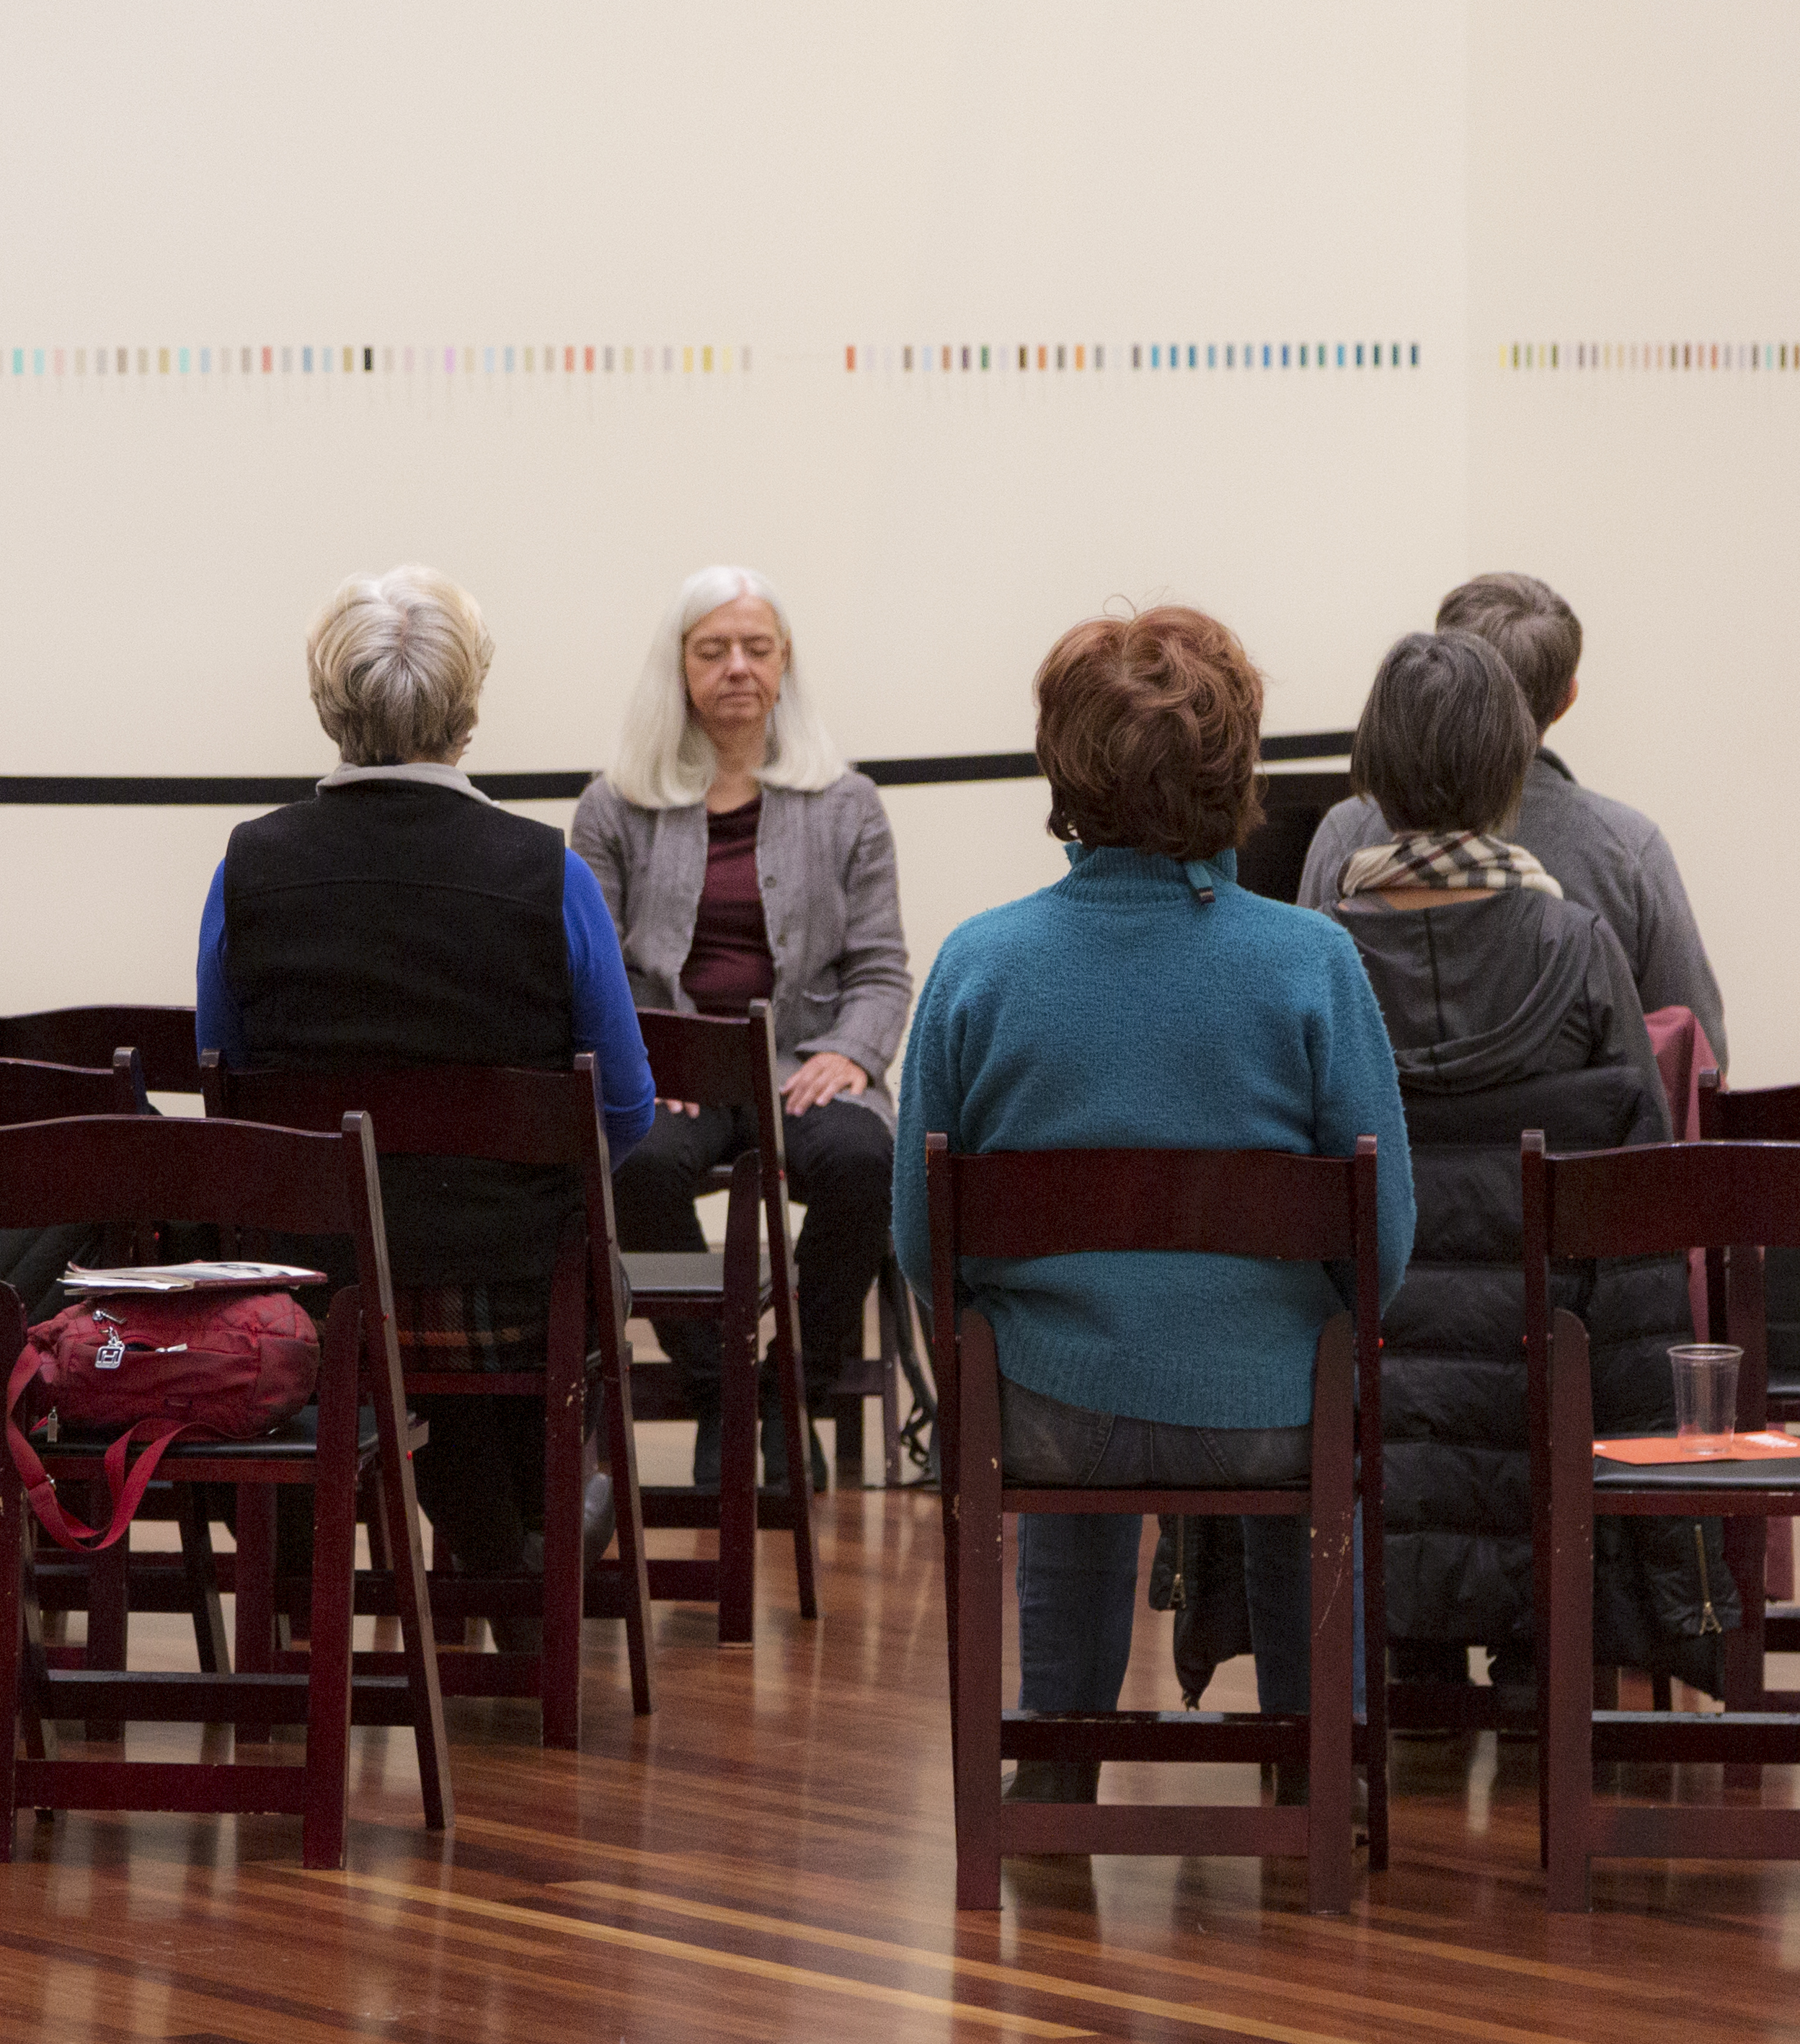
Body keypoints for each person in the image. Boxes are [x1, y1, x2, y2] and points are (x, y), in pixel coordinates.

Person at [892, 605, 1414, 1805]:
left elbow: (921, 1240)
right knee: (1309, 1374)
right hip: (1269, 1413)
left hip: (1044, 1419)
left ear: (1060, 766)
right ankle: (1309, 1774)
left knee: (1060, 1354)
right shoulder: (1309, 963)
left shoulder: (979, 963)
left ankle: (1055, 1766)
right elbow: (1380, 1241)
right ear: (1238, 770)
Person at [198, 565, 654, 1595]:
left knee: (391, 1279)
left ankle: (502, 1557)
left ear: (327, 707)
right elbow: (622, 1107)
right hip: (512, 1280)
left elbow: (223, 1079)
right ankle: (518, 1561)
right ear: (467, 711)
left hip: (313, 1282)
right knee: (543, 1267)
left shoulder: (247, 867)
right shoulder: (548, 871)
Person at [1320, 629, 1715, 1707]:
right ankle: (1546, 1651)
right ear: (1510, 773)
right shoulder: (1578, 947)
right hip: (1540, 1423)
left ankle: (1408, 1656)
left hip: (1371, 1418)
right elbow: (1635, 1208)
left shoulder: (1316, 959)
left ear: (1372, 775)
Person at [572, 567, 910, 1491]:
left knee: (862, 1162)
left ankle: (787, 1388)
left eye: (756, 648)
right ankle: (720, 1390)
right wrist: (640, 1058)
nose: (735, 668)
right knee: (634, 1162)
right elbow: (592, 976)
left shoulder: (846, 803)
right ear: (676, 667)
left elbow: (880, 968)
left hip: (803, 1061)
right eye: (712, 649)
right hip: (669, 1063)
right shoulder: (612, 806)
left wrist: (851, 1052)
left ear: (783, 662)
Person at [1296, 573, 1726, 1067]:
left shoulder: (1342, 835)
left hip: (1384, 1143)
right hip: (1568, 1143)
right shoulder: (1627, 853)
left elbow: (1308, 1045)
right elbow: (1700, 1060)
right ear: (1566, 698)